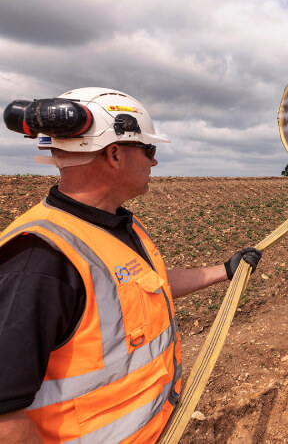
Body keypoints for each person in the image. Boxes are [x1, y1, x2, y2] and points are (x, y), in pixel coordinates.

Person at [0, 88, 262, 443]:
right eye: (149, 150)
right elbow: (6, 419)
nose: (154, 162)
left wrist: (225, 271)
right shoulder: (40, 259)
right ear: (114, 154)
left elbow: (143, 286)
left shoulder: (115, 225)